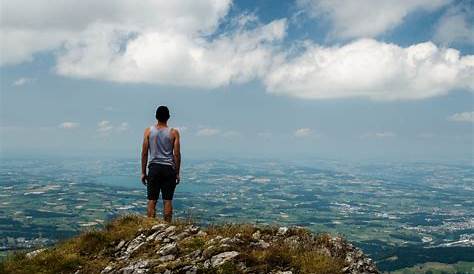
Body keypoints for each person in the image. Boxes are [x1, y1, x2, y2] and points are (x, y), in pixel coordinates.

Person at [141, 105, 181, 222]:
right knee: (167, 200)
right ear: (168, 117)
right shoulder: (174, 132)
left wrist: (143, 172)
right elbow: (177, 154)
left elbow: (144, 153)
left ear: (156, 117)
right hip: (169, 169)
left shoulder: (148, 131)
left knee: (152, 199)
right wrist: (177, 173)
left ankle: (150, 226)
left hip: (154, 168)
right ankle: (167, 226)